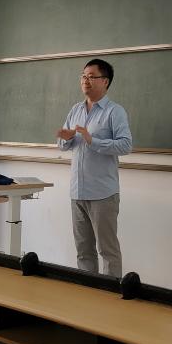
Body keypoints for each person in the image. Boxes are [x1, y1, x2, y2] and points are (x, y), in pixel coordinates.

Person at [56, 58, 132, 278]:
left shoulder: (115, 111)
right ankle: (88, 294)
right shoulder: (75, 110)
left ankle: (110, 296)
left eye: (91, 76)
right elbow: (64, 145)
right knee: (83, 252)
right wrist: (65, 139)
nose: (85, 80)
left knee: (108, 251)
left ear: (105, 81)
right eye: (83, 76)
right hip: (77, 191)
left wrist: (92, 140)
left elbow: (125, 145)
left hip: (102, 193)